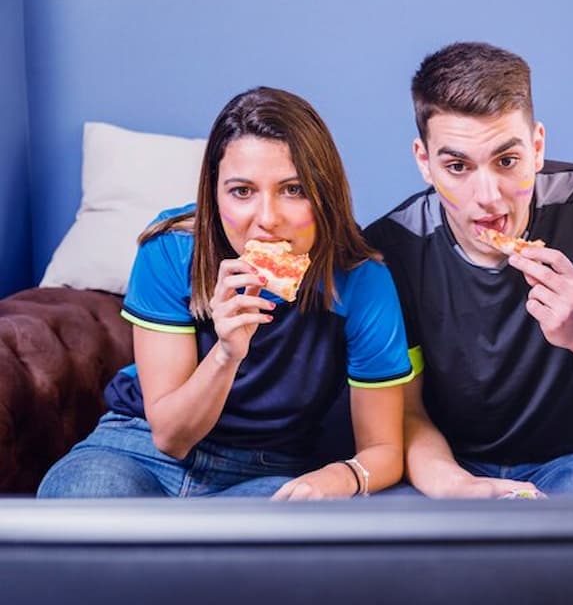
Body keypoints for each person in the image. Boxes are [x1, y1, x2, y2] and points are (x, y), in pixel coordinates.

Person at [38, 87, 413, 499]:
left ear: (325, 195)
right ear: (214, 195)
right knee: (84, 499)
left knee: (288, 533)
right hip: (137, 447)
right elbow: (170, 437)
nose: (267, 219)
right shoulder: (172, 249)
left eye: (293, 189)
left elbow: (383, 449)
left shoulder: (363, 280)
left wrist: (334, 479)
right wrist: (226, 353)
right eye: (242, 191)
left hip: (265, 469)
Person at [364, 42, 573, 497]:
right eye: (457, 166)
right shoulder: (391, 249)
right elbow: (404, 411)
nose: (487, 196)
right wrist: (456, 487)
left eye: (507, 161)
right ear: (424, 162)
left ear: (537, 147)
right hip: (449, 463)